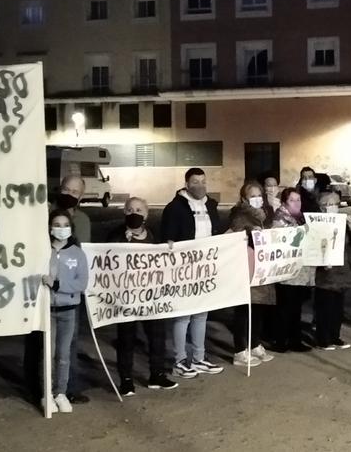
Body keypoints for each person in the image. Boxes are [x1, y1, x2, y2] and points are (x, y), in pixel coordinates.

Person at [159, 167, 225, 377]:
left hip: (205, 268)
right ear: (187, 184)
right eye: (195, 182)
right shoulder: (175, 207)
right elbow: (167, 237)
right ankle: (180, 360)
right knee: (183, 315)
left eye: (203, 181)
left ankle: (199, 358)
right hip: (183, 269)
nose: (200, 185)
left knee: (201, 314)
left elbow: (217, 234)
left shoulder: (211, 205)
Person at [111, 198, 176, 394]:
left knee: (157, 335)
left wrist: (169, 247)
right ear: (124, 212)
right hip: (127, 297)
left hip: (150, 296)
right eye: (130, 209)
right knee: (126, 338)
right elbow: (106, 259)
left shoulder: (153, 235)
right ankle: (126, 379)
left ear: (146, 214)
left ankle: (157, 374)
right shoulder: (116, 235)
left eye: (139, 210)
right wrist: (123, 242)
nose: (134, 213)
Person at [52, 174, 93, 404]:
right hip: (49, 291)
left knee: (71, 342)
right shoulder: (46, 213)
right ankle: (45, 388)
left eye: (75, 192)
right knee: (46, 343)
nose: (70, 195)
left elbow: (84, 253)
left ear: (81, 196)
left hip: (71, 292)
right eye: (67, 189)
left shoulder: (84, 221)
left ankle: (69, 388)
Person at [227, 181, 276, 367]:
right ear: (244, 198)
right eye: (252, 196)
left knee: (258, 307)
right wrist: (249, 233)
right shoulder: (239, 215)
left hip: (261, 266)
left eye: (259, 195)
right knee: (242, 309)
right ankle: (240, 350)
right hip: (245, 265)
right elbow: (234, 236)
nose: (256, 199)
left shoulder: (265, 214)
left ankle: (254, 343)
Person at [45, 209, 89, 413]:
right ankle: (47, 393)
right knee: (48, 353)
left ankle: (60, 392)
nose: (61, 229)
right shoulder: (44, 251)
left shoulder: (77, 253)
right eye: (57, 225)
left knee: (63, 354)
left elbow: (81, 283)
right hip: (46, 310)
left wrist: (57, 284)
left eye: (65, 225)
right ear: (49, 227)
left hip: (68, 310)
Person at [313, 190, 351, 350]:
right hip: (324, 273)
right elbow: (311, 248)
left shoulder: (343, 221)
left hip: (341, 271)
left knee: (338, 308)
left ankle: (335, 336)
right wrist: (320, 261)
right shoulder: (315, 223)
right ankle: (322, 338)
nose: (328, 207)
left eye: (332, 204)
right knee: (325, 307)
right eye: (324, 204)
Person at [273, 187, 316, 352]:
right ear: (284, 202)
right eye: (292, 200)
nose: (297, 203)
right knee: (286, 308)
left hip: (299, 272)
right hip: (287, 271)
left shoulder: (300, 218)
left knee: (296, 308)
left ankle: (294, 340)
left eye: (298, 200)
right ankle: (281, 341)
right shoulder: (280, 219)